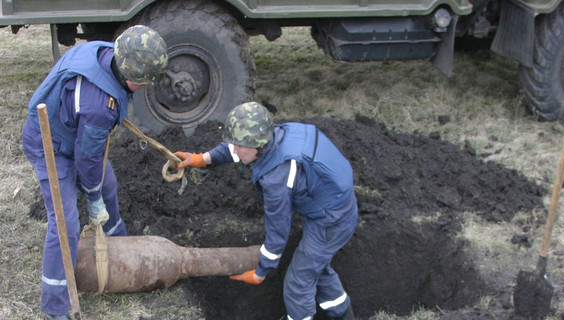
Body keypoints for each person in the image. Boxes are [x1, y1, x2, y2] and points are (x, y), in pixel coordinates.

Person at [21, 25, 168, 320]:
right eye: (145, 82)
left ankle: (119, 246)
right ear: (130, 78)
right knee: (65, 224)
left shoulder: (107, 52)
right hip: (50, 143)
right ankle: (55, 305)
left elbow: (90, 153)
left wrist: (100, 190)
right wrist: (92, 197)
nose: (148, 86)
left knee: (108, 185)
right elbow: (87, 158)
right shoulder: (99, 105)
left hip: (74, 133)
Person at [174, 102, 358, 320]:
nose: (236, 149)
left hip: (332, 221)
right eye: (235, 143)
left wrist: (262, 270)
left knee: (297, 283)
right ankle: (343, 314)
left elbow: (278, 230)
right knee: (315, 267)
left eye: (241, 146)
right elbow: (237, 149)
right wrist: (202, 159)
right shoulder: (276, 135)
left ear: (259, 145)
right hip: (330, 205)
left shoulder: (277, 178)